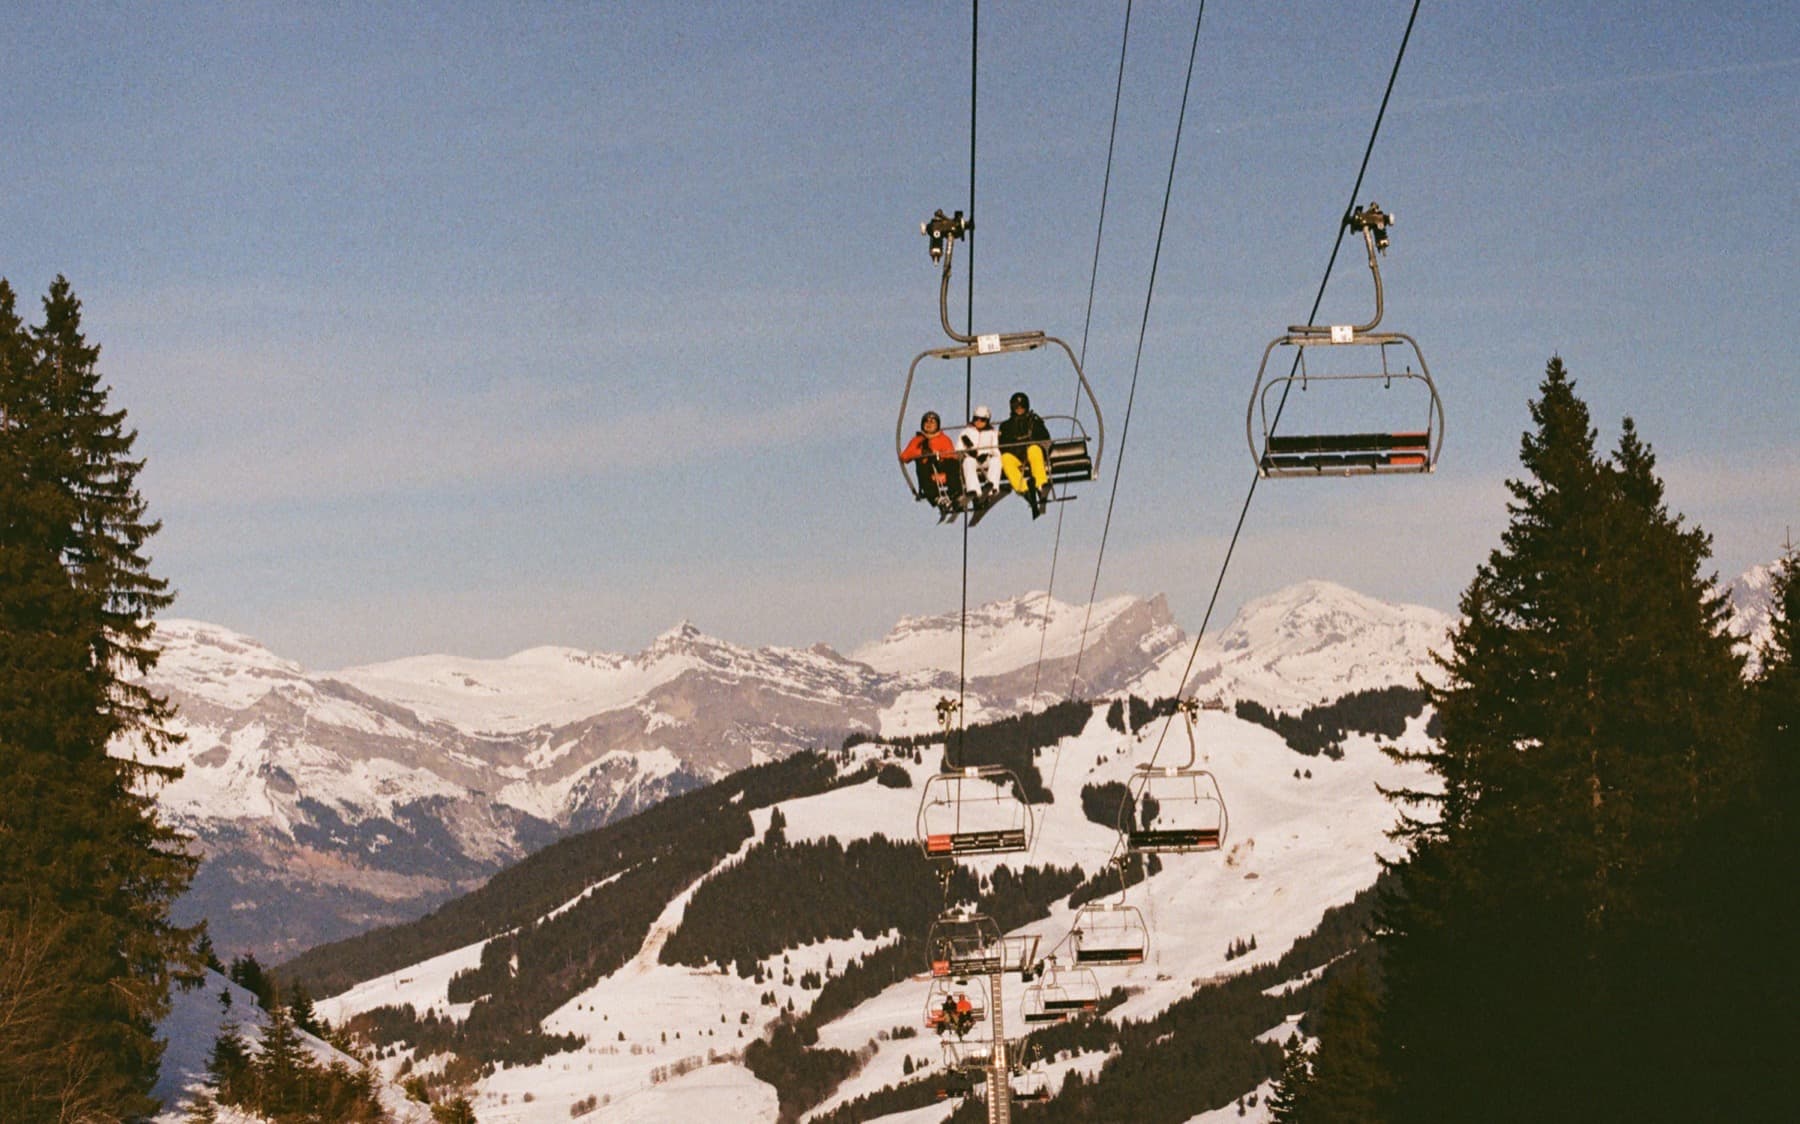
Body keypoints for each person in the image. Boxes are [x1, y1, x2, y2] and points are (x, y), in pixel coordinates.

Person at [998, 391, 1053, 518]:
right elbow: (1002, 445)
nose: (1019, 410)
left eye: (1022, 407)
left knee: (1034, 449)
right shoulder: (1006, 426)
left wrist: (1044, 448)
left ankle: (1040, 485)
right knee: (1005, 459)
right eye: (1017, 407)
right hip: (1016, 455)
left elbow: (1045, 438)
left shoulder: (1034, 421)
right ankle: (1025, 490)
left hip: (1031, 454)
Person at [900, 411, 964, 513]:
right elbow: (904, 456)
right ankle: (935, 497)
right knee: (922, 467)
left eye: (932, 422)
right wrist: (921, 452)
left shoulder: (943, 439)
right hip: (927, 471)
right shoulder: (917, 440)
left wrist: (938, 458)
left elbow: (951, 455)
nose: (929, 425)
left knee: (953, 464)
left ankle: (956, 494)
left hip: (942, 467)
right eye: (926, 422)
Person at [959, 404, 1004, 501]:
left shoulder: (992, 433)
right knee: (968, 461)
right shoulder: (966, 432)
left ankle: (992, 487)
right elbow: (958, 449)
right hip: (973, 459)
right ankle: (974, 490)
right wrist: (968, 453)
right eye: (976, 419)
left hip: (985, 460)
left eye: (982, 420)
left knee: (996, 461)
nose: (979, 422)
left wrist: (988, 455)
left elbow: (996, 450)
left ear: (987, 421)